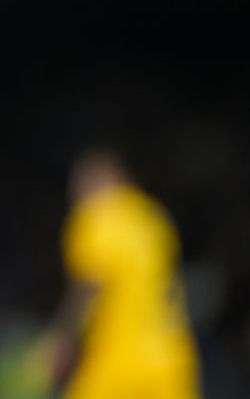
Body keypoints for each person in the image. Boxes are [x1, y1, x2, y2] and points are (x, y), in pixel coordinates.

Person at [42, 148, 202, 399]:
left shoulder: (97, 216)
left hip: (119, 357)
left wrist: (61, 339)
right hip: (172, 356)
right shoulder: (153, 217)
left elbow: (89, 285)